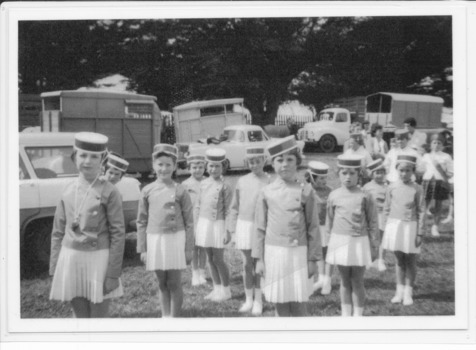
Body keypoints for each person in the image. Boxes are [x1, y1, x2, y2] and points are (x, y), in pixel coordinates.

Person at [49, 132, 125, 318]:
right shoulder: (67, 189)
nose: (88, 161)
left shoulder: (110, 191)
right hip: (72, 258)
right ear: (75, 157)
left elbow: (118, 233)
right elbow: (58, 231)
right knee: (80, 317)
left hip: (98, 259)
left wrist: (113, 274)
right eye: (83, 155)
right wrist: (54, 266)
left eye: (94, 156)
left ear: (103, 160)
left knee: (98, 317)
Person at [253, 136, 321, 317]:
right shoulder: (266, 192)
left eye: (290, 159)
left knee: (298, 302)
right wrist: (259, 259)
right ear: (272, 164)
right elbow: (260, 228)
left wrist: (313, 259)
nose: (285, 164)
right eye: (279, 160)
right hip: (274, 253)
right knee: (280, 301)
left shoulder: (306, 190)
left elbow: (313, 227)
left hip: (298, 253)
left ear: (297, 162)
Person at [136, 144, 194, 317]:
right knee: (162, 282)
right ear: (153, 165)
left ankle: (174, 320)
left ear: (175, 166)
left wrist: (189, 248)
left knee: (174, 282)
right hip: (155, 239)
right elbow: (141, 221)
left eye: (168, 164)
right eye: (160, 164)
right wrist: (143, 248)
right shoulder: (147, 190)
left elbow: (190, 221)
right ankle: (165, 316)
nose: (164, 168)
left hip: (176, 239)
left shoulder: (181, 190)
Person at [325, 154, 379, 317]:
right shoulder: (334, 195)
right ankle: (346, 314)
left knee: (357, 280)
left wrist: (374, 245)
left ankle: (358, 315)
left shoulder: (365, 195)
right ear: (338, 174)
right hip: (340, 241)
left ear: (359, 174)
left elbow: (373, 222)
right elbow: (329, 221)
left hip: (358, 242)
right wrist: (329, 244)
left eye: (352, 173)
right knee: (344, 280)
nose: (348, 177)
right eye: (344, 173)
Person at [228, 146, 271, 315]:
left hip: (261, 226)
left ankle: (259, 300)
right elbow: (234, 207)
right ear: (247, 162)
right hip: (244, 225)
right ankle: (248, 299)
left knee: (259, 264)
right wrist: (232, 231)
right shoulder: (242, 181)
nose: (254, 164)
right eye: (251, 162)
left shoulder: (269, 181)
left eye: (257, 161)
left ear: (264, 161)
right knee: (247, 264)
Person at [381, 155, 425, 306]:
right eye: (401, 170)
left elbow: (421, 211)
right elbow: (386, 209)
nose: (404, 173)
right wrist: (385, 228)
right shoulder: (391, 187)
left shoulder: (417, 188)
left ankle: (408, 292)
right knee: (399, 260)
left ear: (413, 171)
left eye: (407, 170)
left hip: (410, 226)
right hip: (395, 226)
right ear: (396, 170)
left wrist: (420, 232)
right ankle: (399, 292)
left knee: (411, 260)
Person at [195, 148, 233, 302]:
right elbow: (198, 205)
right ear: (206, 166)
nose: (213, 169)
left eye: (217, 166)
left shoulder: (225, 186)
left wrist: (227, 230)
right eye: (210, 166)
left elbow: (230, 209)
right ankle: (217, 289)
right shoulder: (203, 184)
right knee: (210, 259)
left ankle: (226, 290)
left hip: (218, 224)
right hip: (204, 223)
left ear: (223, 167)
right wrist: (196, 224)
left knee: (218, 258)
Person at [306, 161, 335, 295]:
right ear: (312, 178)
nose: (324, 181)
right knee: (314, 255)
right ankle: (315, 281)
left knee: (327, 254)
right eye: (321, 178)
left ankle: (326, 281)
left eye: (325, 178)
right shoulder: (306, 190)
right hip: (313, 228)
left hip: (327, 227)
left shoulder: (330, 191)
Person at [182, 154, 208, 286]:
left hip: (204, 219)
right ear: (189, 168)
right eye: (194, 167)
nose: (197, 170)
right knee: (193, 247)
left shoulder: (208, 182)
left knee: (202, 247)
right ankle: (195, 273)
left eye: (200, 167)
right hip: (191, 219)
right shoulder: (185, 184)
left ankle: (202, 272)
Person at [421, 134, 454, 237]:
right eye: (434, 142)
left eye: (439, 143)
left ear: (442, 145)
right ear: (430, 145)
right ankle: (421, 226)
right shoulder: (426, 156)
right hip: (427, 180)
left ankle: (435, 227)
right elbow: (421, 169)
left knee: (438, 205)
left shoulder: (446, 156)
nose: (436, 145)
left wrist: (445, 174)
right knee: (424, 205)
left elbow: (451, 172)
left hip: (440, 181)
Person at [363, 157, 389, 271]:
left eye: (382, 173)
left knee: (382, 238)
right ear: (372, 174)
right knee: (371, 238)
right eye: (377, 173)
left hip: (383, 215)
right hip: (371, 216)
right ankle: (371, 259)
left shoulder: (387, 187)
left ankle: (381, 260)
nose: (380, 175)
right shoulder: (367, 187)